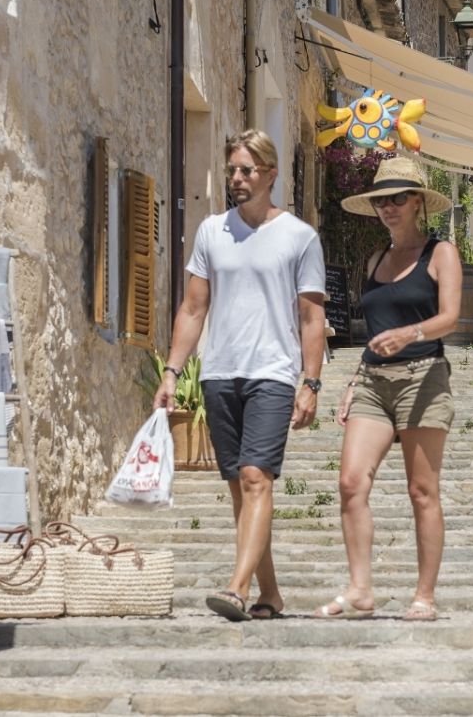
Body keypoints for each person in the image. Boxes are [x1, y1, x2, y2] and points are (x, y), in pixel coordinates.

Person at [153, 130, 326, 622]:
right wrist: (172, 372)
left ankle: (237, 587)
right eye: (232, 170)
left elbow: (312, 317)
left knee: (256, 478)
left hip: (272, 373)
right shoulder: (212, 231)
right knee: (242, 489)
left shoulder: (299, 237)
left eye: (247, 170)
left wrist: (309, 382)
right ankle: (271, 593)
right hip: (220, 374)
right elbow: (192, 308)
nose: (237, 179)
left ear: (271, 174)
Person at [322, 157, 462, 622]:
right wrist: (353, 382)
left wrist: (410, 334)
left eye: (398, 198)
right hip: (373, 382)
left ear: (418, 202)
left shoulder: (440, 253)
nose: (389, 207)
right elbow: (375, 332)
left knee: (422, 489)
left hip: (423, 376)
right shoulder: (375, 260)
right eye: (382, 200)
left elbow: (449, 318)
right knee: (350, 482)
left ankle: (425, 595)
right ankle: (361, 589)